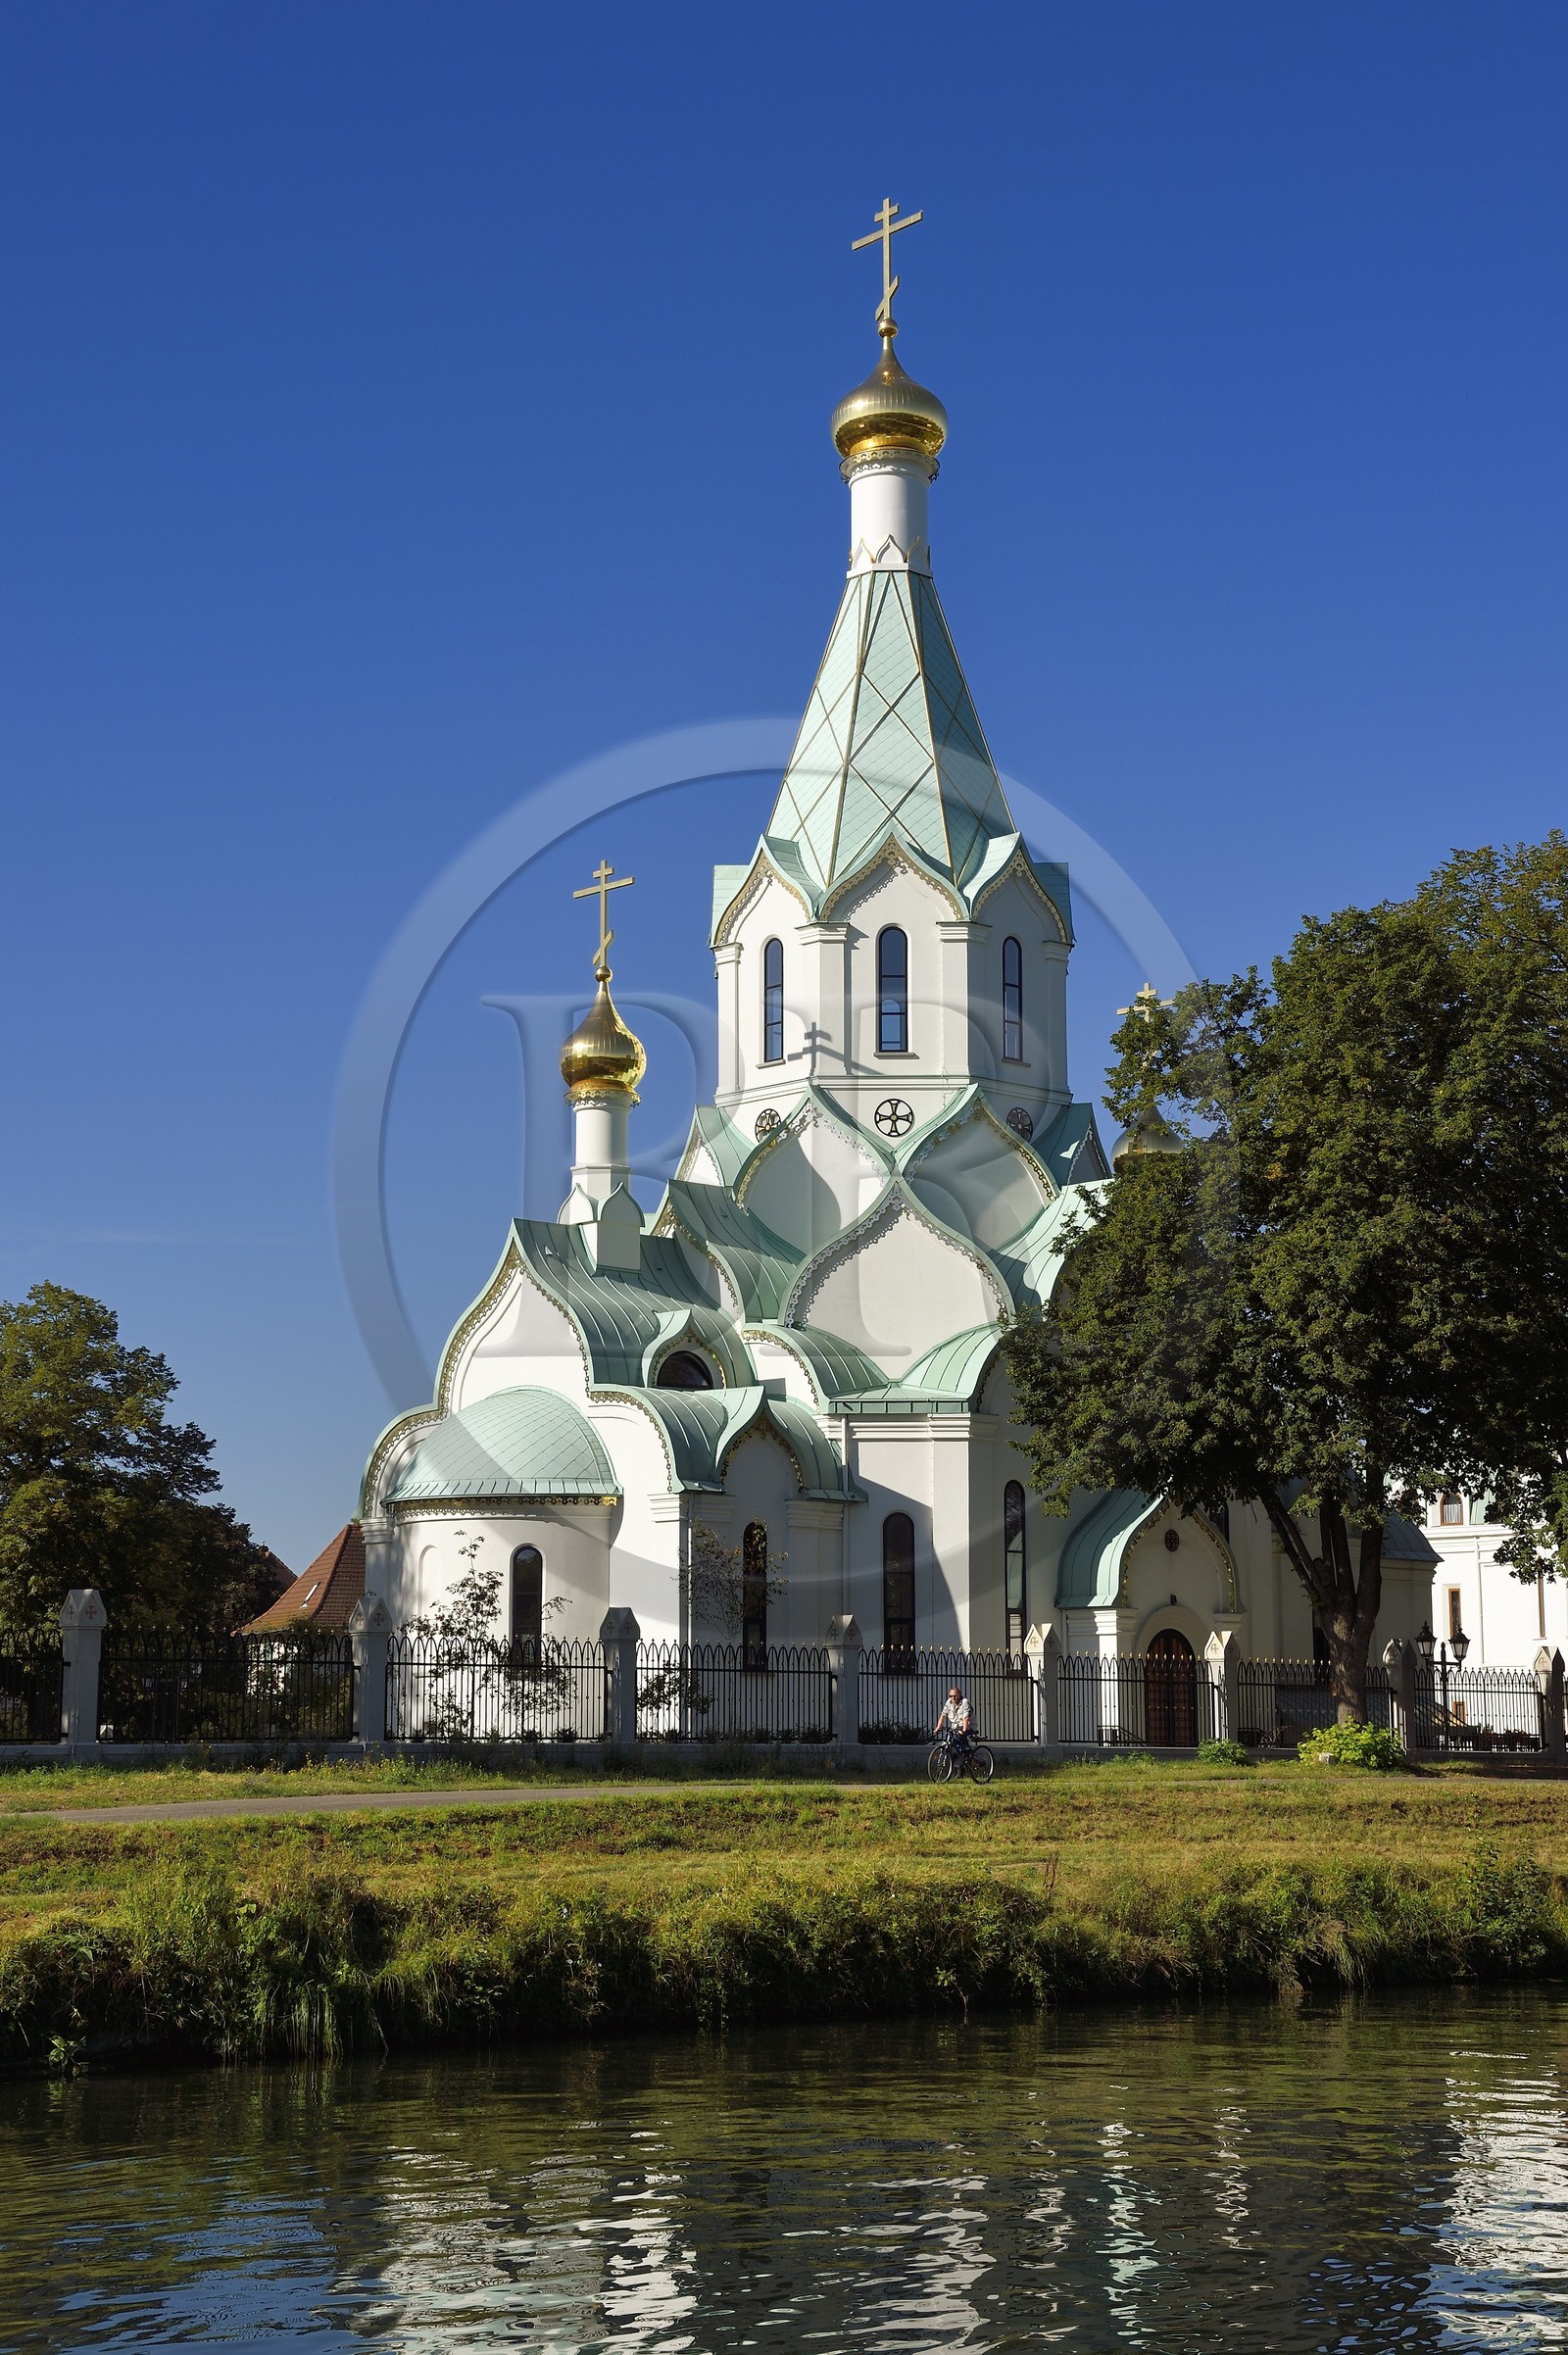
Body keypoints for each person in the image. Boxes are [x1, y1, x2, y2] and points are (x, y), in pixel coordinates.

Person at [934, 1686, 974, 1762]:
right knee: (953, 1741)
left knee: (957, 1737)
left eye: (955, 1696)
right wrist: (938, 1728)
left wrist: (964, 1730)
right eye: (951, 1696)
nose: (953, 1698)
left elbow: (966, 1718)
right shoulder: (949, 1702)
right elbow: (943, 1715)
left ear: (959, 1695)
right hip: (956, 1726)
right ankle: (960, 1759)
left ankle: (965, 1757)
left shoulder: (964, 1702)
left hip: (968, 1725)